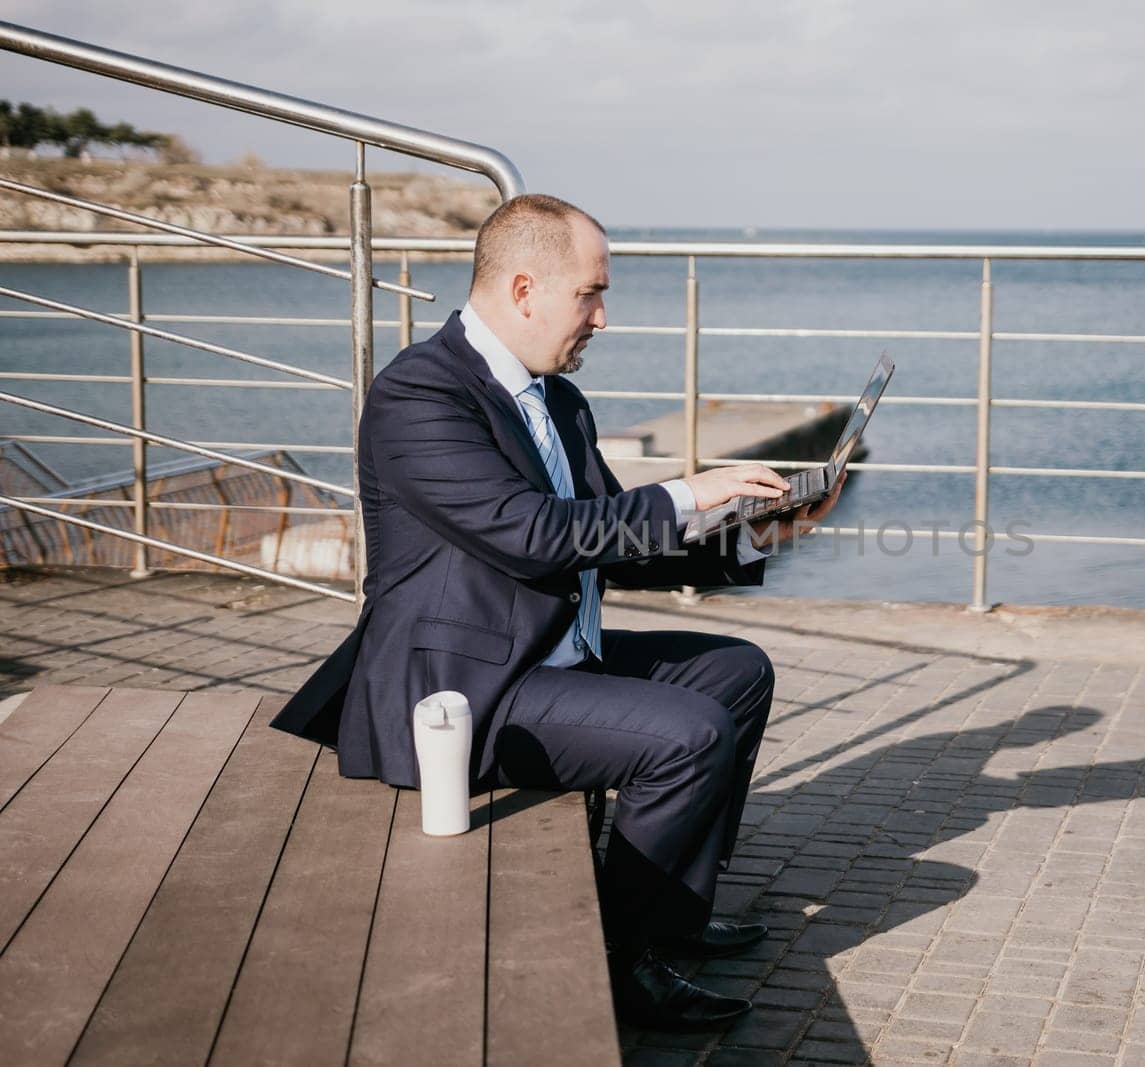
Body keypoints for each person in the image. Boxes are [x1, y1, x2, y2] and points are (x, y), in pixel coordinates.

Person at [270, 193, 844, 1030]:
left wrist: (758, 534)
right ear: (526, 289)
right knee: (686, 735)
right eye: (591, 295)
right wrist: (689, 488)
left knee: (737, 673)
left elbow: (607, 536)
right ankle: (621, 961)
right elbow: (533, 535)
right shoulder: (420, 395)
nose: (603, 318)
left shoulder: (559, 401)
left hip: (544, 658)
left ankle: (672, 915)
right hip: (460, 692)